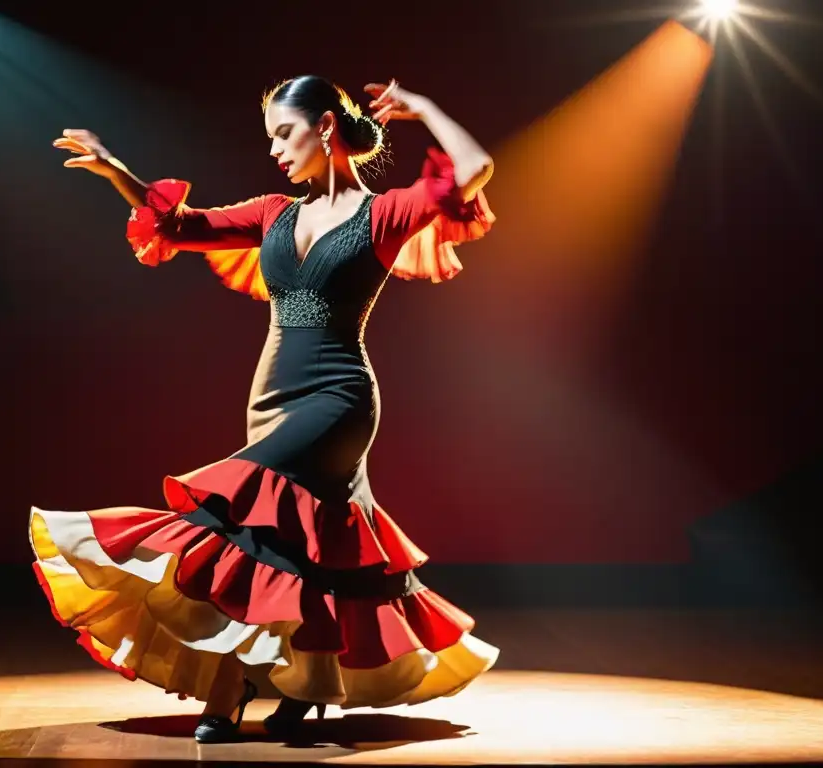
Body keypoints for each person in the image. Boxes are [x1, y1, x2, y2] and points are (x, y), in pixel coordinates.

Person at [33, 75, 499, 744]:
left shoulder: (383, 214)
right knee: (294, 551)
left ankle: (226, 694)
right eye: (271, 138)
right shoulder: (274, 214)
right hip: (271, 394)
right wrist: (117, 172)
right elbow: (180, 227)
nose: (277, 149)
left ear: (326, 128)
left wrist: (422, 106)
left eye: (285, 132)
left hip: (338, 398)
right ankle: (301, 691)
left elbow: (473, 171)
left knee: (228, 521)